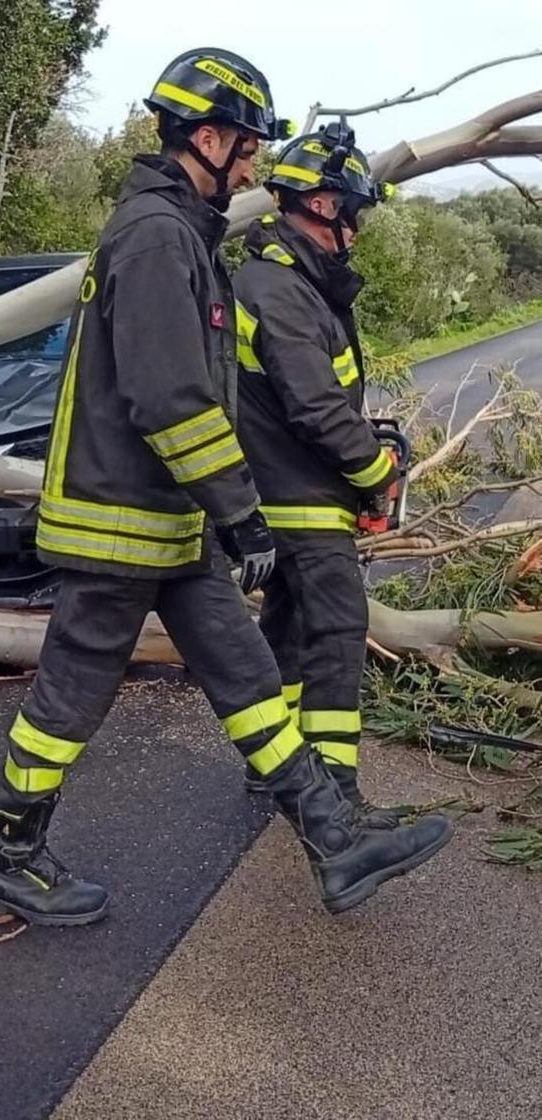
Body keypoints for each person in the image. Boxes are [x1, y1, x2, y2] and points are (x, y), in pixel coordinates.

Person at [0, 56, 451, 926]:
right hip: (122, 520)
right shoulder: (157, 236)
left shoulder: (182, 233)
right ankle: (10, 852)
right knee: (71, 694)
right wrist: (240, 510)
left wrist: (222, 512)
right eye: (248, 147)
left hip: (164, 520)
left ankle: (333, 842)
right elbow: (170, 397)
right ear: (209, 136)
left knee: (250, 671)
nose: (255, 167)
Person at [232, 121, 411, 824]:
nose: (358, 235)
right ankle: (334, 793)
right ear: (327, 207)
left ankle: (274, 769)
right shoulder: (279, 290)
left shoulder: (288, 285)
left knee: (287, 631)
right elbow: (312, 407)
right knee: (337, 635)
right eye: (355, 215)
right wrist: (377, 476)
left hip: (279, 496)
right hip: (300, 502)